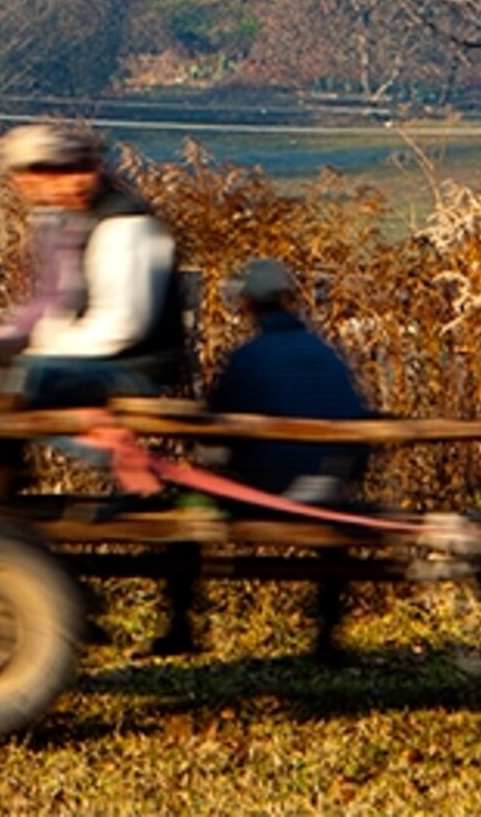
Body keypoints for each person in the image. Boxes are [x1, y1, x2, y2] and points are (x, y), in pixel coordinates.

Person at [0, 122, 183, 487]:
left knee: (20, 379)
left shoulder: (126, 225)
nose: (46, 186)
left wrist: (38, 348)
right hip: (100, 357)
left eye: (57, 172)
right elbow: (53, 306)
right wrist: (0, 337)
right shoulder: (70, 222)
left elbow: (122, 324)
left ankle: (130, 466)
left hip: (137, 366)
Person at [167, 256, 372, 660]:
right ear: (288, 299)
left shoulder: (248, 357)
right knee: (333, 542)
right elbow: (357, 424)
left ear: (249, 304)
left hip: (265, 493)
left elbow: (219, 429)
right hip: (329, 493)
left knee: (180, 512)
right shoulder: (325, 353)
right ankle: (328, 637)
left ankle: (180, 626)